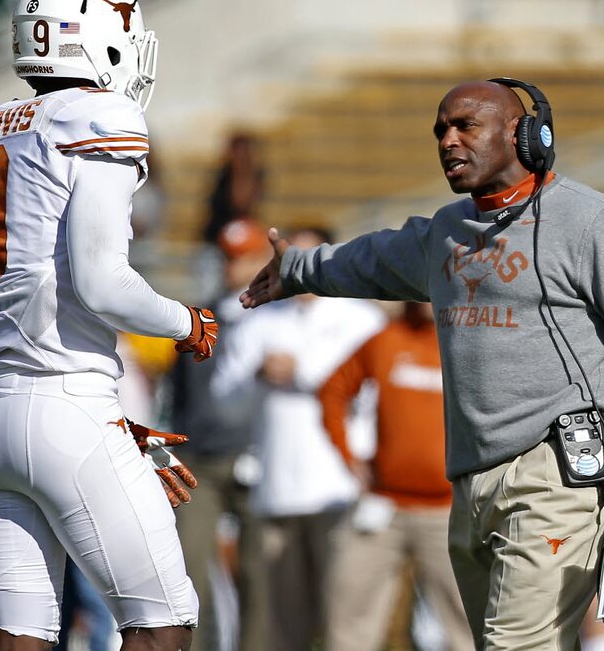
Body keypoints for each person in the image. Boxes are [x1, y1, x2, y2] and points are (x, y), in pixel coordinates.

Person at [239, 79, 604, 649]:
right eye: (440, 129)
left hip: (557, 473)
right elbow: (371, 257)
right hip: (471, 481)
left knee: (517, 645)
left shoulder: (595, 225)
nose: (447, 141)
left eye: (465, 126)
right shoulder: (447, 232)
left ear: (523, 134)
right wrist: (298, 269)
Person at [0, 0, 218, 651]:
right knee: (161, 625)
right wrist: (190, 322)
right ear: (99, 37)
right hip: (66, 412)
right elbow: (101, 284)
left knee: (20, 634)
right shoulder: (101, 115)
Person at [212, 226, 385, 651]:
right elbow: (225, 403)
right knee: (283, 627)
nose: (301, 268)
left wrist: (303, 370)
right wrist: (255, 376)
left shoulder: (363, 320)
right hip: (277, 491)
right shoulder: (258, 318)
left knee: (345, 622)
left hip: (341, 490)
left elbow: (374, 399)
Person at [319, 301, 474, 651]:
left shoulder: (468, 342)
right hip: (382, 506)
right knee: (348, 614)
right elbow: (331, 391)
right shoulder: (385, 339)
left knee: (468, 624)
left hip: (449, 510)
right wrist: (349, 457)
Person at [167, 218, 273, 651]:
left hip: (260, 458)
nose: (233, 267)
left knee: (259, 572)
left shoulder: (278, 316)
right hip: (202, 461)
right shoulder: (197, 318)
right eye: (228, 257)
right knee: (189, 568)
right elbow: (178, 393)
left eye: (244, 256)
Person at [202, 133, 265, 244]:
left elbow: (242, 204)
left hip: (242, 232)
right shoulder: (223, 176)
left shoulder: (256, 176)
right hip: (218, 234)